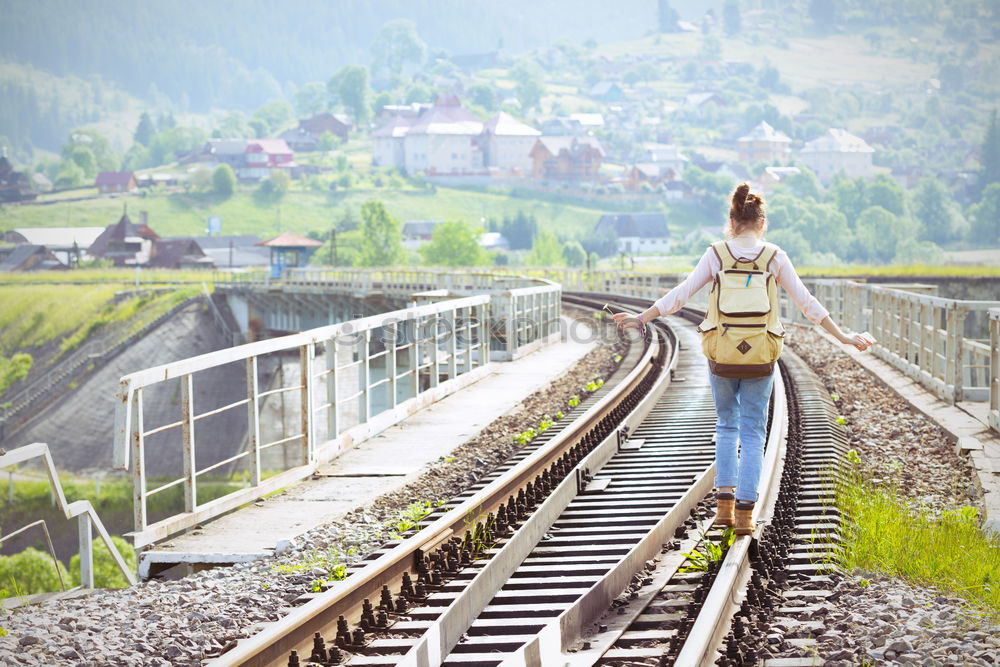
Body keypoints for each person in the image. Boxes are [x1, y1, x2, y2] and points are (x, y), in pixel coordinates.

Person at [614, 183, 875, 535]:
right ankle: (745, 516)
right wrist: (844, 336)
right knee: (753, 430)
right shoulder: (774, 257)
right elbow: (807, 303)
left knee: (726, 425)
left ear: (732, 221)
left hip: (721, 352)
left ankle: (723, 509)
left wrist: (642, 318)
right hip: (761, 353)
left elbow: (680, 296)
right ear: (761, 222)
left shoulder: (716, 255)